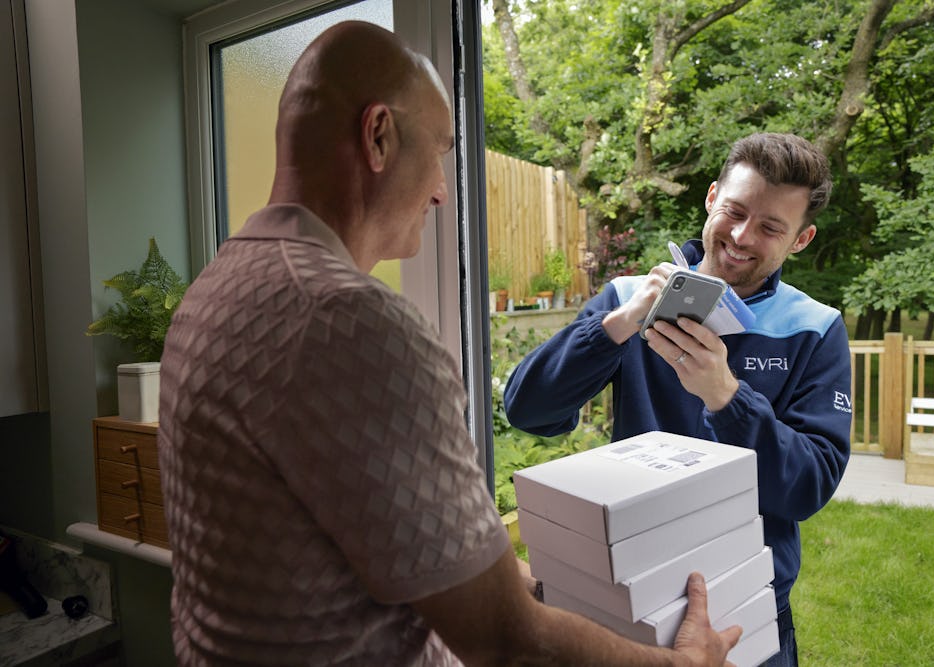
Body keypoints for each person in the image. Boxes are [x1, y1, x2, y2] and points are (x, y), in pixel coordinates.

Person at [158, 20, 741, 666]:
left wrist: (526, 582)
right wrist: (685, 663)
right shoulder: (349, 322)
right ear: (378, 135)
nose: (441, 190)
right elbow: (503, 640)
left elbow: (366, 536)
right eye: (438, 152)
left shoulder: (214, 289)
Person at [504, 133, 853, 667]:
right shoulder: (626, 298)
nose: (741, 236)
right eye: (735, 211)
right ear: (711, 198)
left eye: (770, 227)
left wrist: (726, 397)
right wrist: (619, 325)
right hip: (622, 596)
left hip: (746, 606)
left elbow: (809, 486)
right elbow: (529, 410)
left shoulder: (815, 328)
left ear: (801, 239)